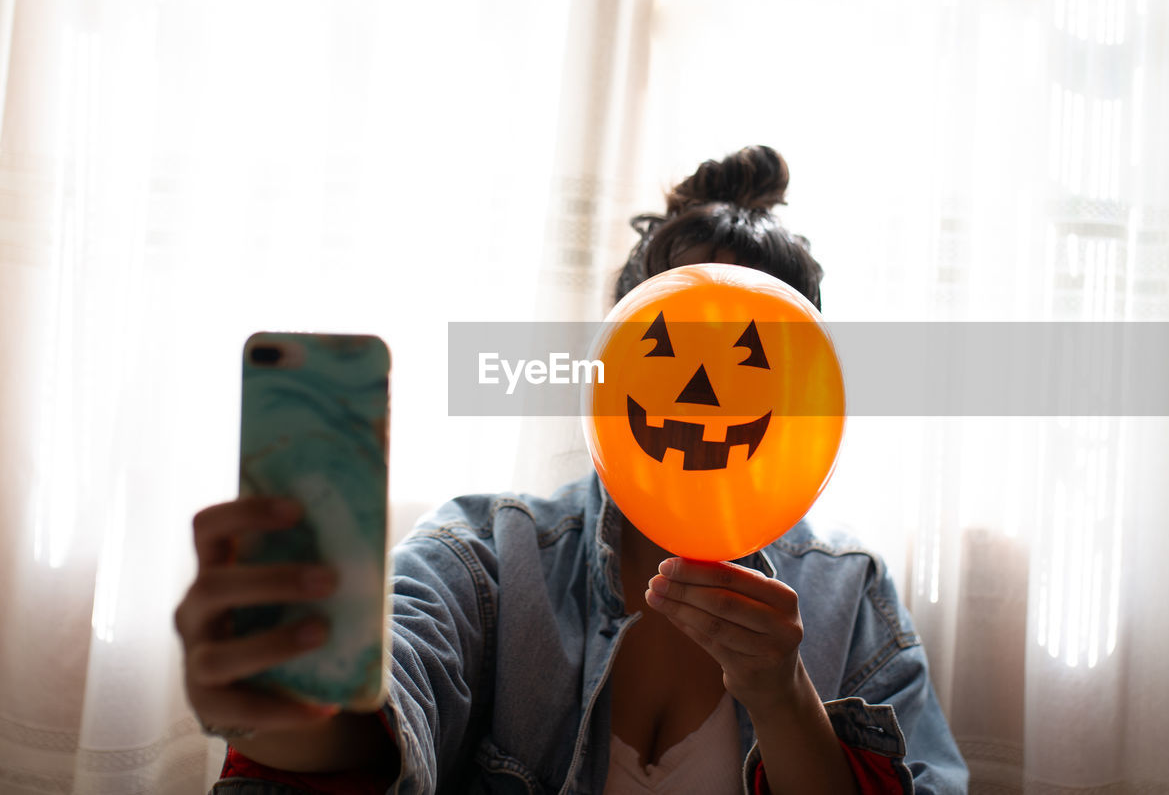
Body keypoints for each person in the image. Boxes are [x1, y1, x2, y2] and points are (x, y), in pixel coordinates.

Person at [175, 145, 969, 794]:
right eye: (665, 346)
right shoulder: (483, 554)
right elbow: (381, 715)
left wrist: (785, 698)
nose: (703, 392)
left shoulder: (849, 589)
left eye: (751, 357)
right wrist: (284, 699)